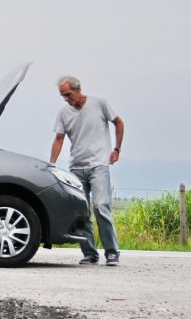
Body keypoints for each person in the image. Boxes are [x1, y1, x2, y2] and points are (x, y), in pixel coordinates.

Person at [50, 75, 124, 266]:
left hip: (99, 165)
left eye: (67, 94)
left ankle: (112, 252)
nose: (65, 98)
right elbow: (59, 139)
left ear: (78, 89)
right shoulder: (63, 113)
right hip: (76, 167)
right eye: (62, 95)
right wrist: (52, 164)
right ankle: (90, 253)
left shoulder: (100, 104)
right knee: (80, 212)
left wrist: (116, 149)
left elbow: (119, 123)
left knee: (100, 206)